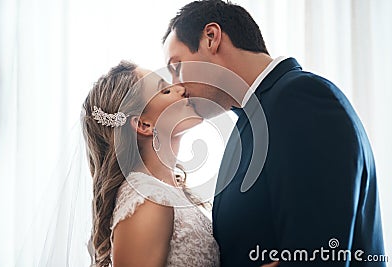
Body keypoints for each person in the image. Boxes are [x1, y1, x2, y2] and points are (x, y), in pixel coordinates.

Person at [162, 0, 386, 266]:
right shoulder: (249, 124)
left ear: (211, 37)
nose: (178, 87)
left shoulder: (301, 99)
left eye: (177, 68)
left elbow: (320, 254)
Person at [82, 61, 220, 267]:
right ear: (143, 124)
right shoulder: (147, 198)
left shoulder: (165, 192)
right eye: (165, 90)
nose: (182, 89)